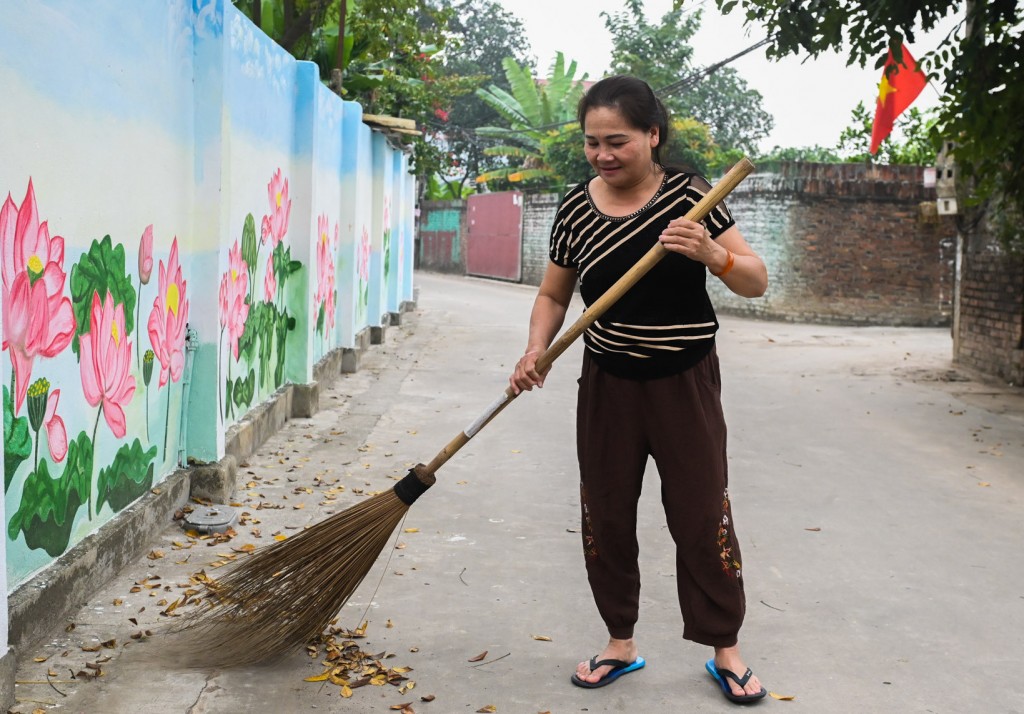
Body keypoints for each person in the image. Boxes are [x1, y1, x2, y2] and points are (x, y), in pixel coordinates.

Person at [508, 75, 769, 704]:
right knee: (606, 511)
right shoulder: (575, 208)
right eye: (593, 142)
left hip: (684, 383)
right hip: (608, 384)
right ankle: (619, 641)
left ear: (653, 135)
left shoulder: (691, 196)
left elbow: (755, 281)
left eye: (617, 140)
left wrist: (712, 254)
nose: (603, 154)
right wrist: (535, 348)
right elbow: (553, 293)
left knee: (702, 514)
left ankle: (724, 648)